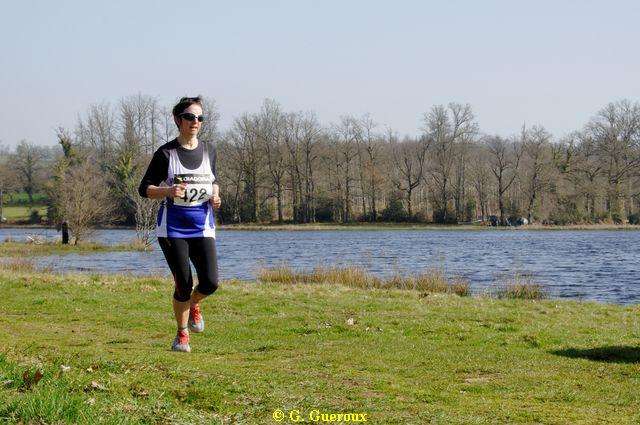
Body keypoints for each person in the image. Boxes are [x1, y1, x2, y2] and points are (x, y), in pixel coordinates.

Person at [138, 96, 221, 353]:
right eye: (189, 117)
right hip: (172, 228)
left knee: (210, 282)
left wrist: (216, 196)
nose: (195, 121)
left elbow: (213, 181)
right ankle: (182, 334)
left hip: (203, 226)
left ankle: (194, 303)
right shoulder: (166, 154)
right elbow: (144, 189)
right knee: (183, 283)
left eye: (199, 117)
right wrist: (168, 191)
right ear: (178, 120)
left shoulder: (209, 150)